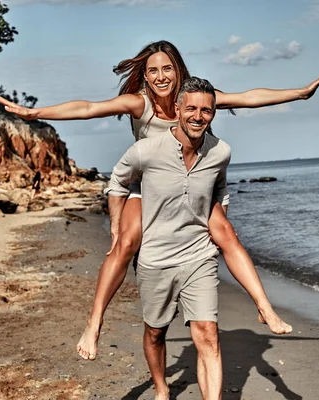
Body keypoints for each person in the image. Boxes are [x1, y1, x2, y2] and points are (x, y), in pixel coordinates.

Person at [0, 40, 319, 361]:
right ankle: (94, 323)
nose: (160, 76)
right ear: (145, 75)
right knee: (124, 243)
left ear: (178, 70)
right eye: (152, 70)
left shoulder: (194, 100)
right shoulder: (139, 103)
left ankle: (264, 308)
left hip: (190, 186)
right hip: (147, 188)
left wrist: (299, 93)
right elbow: (88, 108)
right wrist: (37, 113)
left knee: (226, 234)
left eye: (167, 68)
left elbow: (248, 97)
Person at [111, 77, 235, 399]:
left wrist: (220, 212)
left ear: (214, 113)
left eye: (206, 110)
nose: (198, 116)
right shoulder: (147, 150)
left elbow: (220, 185)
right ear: (177, 109)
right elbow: (118, 180)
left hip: (198, 254)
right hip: (156, 258)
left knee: (208, 333)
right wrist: (118, 225)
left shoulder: (220, 151)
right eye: (191, 108)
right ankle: (162, 388)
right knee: (155, 332)